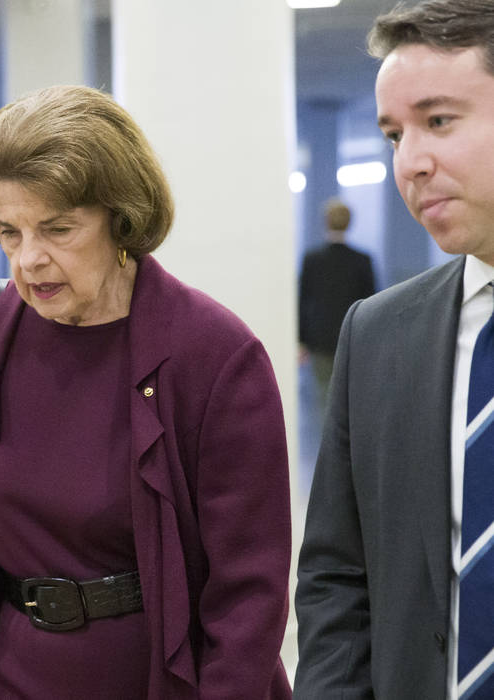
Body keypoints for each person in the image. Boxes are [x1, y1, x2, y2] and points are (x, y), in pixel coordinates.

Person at [0, 84, 292, 699]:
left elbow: (248, 594)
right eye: (10, 232)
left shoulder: (215, 353)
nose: (30, 259)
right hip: (11, 674)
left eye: (58, 229)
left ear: (120, 219)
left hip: (154, 678)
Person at [294, 2, 494, 699]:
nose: (410, 162)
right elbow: (336, 578)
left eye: (438, 121)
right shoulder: (378, 335)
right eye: (392, 134)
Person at [298, 199, 376, 406]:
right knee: (351, 397)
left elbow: (303, 300)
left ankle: (328, 438)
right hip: (353, 337)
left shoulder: (312, 259)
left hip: (320, 338)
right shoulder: (362, 260)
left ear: (326, 221)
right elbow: (371, 303)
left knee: (325, 396)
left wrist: (301, 340)